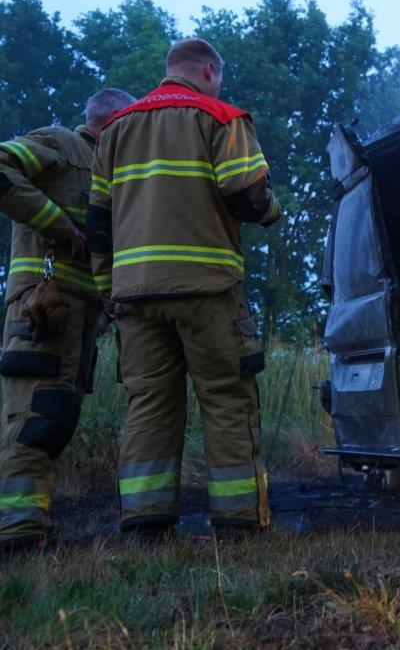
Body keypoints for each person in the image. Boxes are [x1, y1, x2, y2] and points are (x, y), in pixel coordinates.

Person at [87, 38, 282, 538]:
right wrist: (272, 210)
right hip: (206, 290)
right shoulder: (220, 116)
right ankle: (239, 525)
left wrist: (109, 290)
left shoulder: (115, 131)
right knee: (226, 399)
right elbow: (246, 191)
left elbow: (98, 224)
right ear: (210, 70)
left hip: (135, 295)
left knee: (149, 404)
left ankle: (146, 526)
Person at [0, 88, 134, 552]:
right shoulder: (59, 143)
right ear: (113, 121)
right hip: (41, 307)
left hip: (80, 313)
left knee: (58, 418)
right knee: (35, 416)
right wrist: (58, 224)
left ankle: (30, 524)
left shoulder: (108, 168)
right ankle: (17, 534)